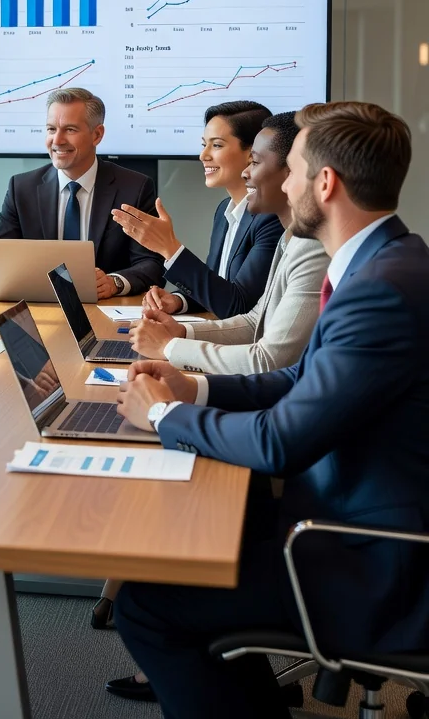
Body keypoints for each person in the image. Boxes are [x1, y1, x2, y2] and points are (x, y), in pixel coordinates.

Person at [111, 101, 429, 719]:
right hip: (351, 519)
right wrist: (193, 389)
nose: (280, 185)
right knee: (210, 544)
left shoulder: (380, 290)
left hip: (374, 561)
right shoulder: (386, 263)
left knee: (148, 605)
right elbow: (300, 378)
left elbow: (281, 442)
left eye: (293, 171)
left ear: (325, 183)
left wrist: (163, 417)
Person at [100, 111, 329, 699]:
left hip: (344, 539)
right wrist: (183, 369)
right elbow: (257, 327)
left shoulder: (349, 267)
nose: (250, 173)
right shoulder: (306, 242)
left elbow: (274, 365)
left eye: (266, 163)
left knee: (150, 603)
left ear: (319, 180)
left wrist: (168, 402)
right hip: (321, 498)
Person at [0, 88, 163, 297]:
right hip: (41, 307)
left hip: (105, 307)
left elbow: (151, 263)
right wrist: (0, 281)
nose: (57, 140)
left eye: (70, 130)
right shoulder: (22, 188)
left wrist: (114, 282)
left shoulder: (134, 187)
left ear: (97, 135)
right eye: (51, 129)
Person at [111, 100, 282, 319]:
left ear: (253, 152)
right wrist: (178, 301)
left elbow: (238, 305)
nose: (203, 155)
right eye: (204, 145)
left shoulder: (271, 217)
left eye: (217, 145)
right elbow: (216, 287)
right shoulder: (224, 210)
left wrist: (170, 248)